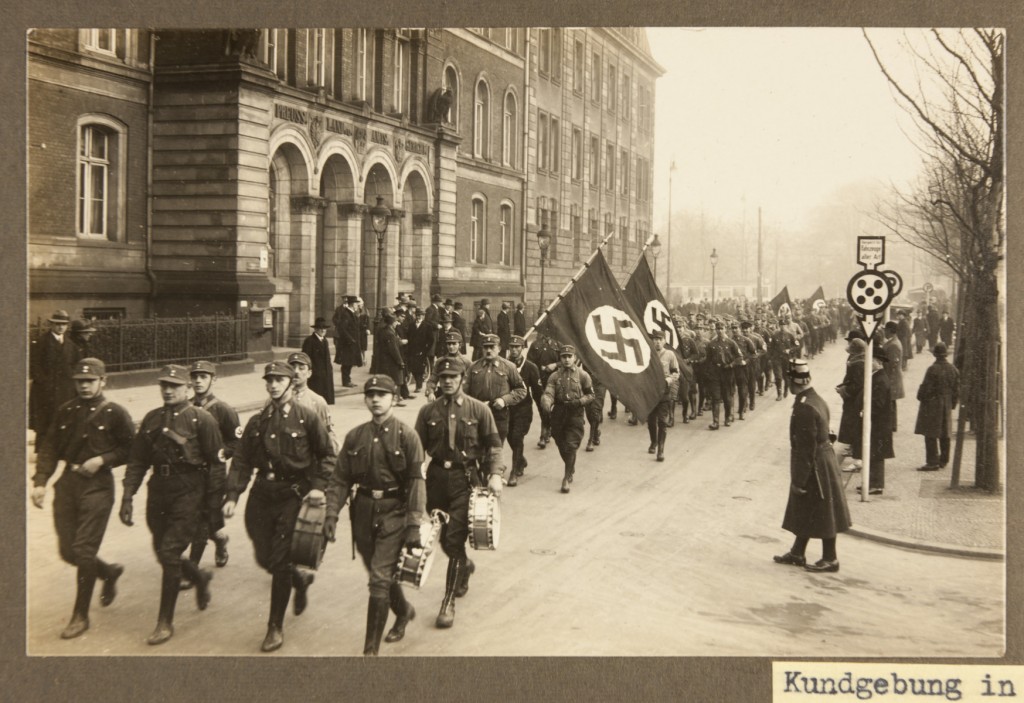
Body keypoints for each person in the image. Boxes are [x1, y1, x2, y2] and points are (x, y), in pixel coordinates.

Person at [222, 361, 336, 652]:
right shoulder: (258, 421)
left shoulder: (307, 418)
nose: (273, 384)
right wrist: (233, 495)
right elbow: (242, 460)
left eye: (279, 380)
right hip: (262, 494)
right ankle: (299, 580)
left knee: (280, 560)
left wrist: (317, 488)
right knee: (264, 557)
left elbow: (327, 456)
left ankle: (274, 626)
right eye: (269, 380)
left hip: (292, 495)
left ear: (290, 383)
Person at [120, 365, 225, 645]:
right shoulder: (151, 419)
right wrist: (128, 495)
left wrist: (213, 505)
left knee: (169, 551)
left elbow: (216, 465)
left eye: (174, 385)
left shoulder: (201, 419)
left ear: (187, 388)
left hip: (190, 490)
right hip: (159, 491)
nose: (168, 390)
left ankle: (165, 622)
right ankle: (200, 577)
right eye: (164, 385)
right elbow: (138, 461)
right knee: (161, 550)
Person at [323, 375, 427, 655]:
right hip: (364, 512)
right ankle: (403, 611)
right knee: (378, 571)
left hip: (395, 512)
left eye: (383, 394)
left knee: (379, 578)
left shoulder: (408, 436)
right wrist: (331, 514)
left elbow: (416, 482)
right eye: (371, 395)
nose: (376, 399)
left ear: (394, 399)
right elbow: (340, 479)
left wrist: (414, 524)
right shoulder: (356, 436)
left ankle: (370, 652)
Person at [31, 357, 134, 639]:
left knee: (84, 550)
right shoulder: (66, 411)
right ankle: (109, 573)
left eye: (90, 381)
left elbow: (131, 449)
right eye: (80, 381)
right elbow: (50, 446)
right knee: (68, 551)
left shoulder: (115, 413)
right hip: (68, 484)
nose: (85, 386)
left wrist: (103, 459)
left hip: (98, 486)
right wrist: (40, 482)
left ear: (103, 381)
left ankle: (80, 616)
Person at [414, 357, 504, 629]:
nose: (448, 381)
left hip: (467, 480)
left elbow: (495, 446)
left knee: (453, 539)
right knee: (444, 541)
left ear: (463, 378)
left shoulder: (479, 410)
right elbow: (417, 449)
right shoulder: (428, 412)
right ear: (438, 380)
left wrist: (496, 475)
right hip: (437, 479)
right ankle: (464, 565)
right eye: (443, 377)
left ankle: (448, 601)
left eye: (453, 377)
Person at [773, 359, 852, 573]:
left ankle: (830, 558)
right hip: (823, 460)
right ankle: (797, 552)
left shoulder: (805, 407)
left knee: (823, 510)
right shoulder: (815, 399)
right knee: (809, 509)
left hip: (816, 464)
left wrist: (798, 480)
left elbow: (805, 448)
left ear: (793, 381)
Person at [182, 360, 238, 578]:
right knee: (196, 518)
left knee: (203, 519)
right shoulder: (185, 407)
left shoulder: (223, 410)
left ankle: (192, 567)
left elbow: (236, 441)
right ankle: (220, 539)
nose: (198, 381)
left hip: (213, 474)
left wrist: (220, 454)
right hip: (190, 473)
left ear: (214, 380)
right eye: (195, 377)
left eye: (203, 377)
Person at [540, 345, 595, 493]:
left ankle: (566, 477)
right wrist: (546, 401)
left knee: (571, 445)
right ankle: (570, 466)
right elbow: (549, 392)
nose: (566, 359)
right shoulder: (554, 376)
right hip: (559, 413)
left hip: (575, 413)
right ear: (560, 358)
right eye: (563, 357)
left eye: (569, 356)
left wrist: (579, 402)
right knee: (561, 443)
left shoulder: (583, 376)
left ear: (575, 358)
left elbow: (591, 395)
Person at [465, 333, 527, 445]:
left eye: (492, 347)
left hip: (499, 416)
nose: (488, 350)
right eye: (485, 347)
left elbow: (521, 390)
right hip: (477, 415)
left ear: (499, 348)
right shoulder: (473, 367)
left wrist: (504, 400)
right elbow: (463, 392)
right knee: (478, 450)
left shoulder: (509, 367)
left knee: (494, 451)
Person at [30, 309, 78, 451]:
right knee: (45, 420)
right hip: (45, 390)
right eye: (57, 324)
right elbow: (34, 365)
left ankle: (60, 449)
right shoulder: (41, 342)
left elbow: (76, 365)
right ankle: (43, 450)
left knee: (63, 418)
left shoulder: (71, 345)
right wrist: (44, 383)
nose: (60, 327)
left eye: (63, 324)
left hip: (65, 390)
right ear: (51, 325)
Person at [914, 342, 960, 471]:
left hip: (932, 404)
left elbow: (926, 388)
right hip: (946, 403)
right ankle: (944, 460)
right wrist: (952, 404)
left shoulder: (932, 369)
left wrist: (920, 396)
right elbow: (957, 390)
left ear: (935, 355)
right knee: (945, 433)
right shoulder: (953, 369)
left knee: (930, 433)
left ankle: (932, 461)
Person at [506, 334, 542, 486]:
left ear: (523, 348)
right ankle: (520, 460)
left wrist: (544, 412)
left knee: (517, 437)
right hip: (507, 409)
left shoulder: (531, 368)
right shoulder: (505, 365)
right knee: (508, 436)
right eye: (512, 347)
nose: (514, 350)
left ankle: (514, 472)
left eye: (517, 347)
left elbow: (538, 393)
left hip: (523, 409)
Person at [287, 351, 340, 451]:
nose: (296, 371)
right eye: (292, 367)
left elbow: (329, 435)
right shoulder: (276, 401)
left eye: (301, 368)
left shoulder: (317, 401)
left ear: (309, 373)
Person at [646, 331, 679, 462]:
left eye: (660, 339)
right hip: (650, 392)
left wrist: (669, 380)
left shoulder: (670, 355)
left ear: (664, 341)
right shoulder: (647, 354)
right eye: (655, 339)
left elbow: (676, 373)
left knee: (662, 421)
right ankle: (653, 441)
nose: (658, 341)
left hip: (664, 391)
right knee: (651, 420)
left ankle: (661, 449)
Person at [704, 321, 741, 430]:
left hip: (727, 373)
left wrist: (731, 365)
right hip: (715, 373)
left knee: (727, 397)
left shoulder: (731, 343)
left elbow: (739, 357)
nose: (719, 331)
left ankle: (727, 417)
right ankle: (715, 422)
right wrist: (709, 373)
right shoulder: (712, 344)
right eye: (717, 329)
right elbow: (708, 359)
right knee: (715, 397)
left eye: (721, 328)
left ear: (726, 329)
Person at [527, 332, 560, 447]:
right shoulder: (535, 344)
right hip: (539, 381)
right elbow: (529, 362)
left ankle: (544, 433)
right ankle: (547, 427)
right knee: (542, 408)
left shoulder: (558, 344)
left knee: (547, 406)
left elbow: (568, 361)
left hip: (554, 382)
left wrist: (555, 365)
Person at [370, 310, 407, 407]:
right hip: (390, 361)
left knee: (388, 380)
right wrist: (400, 361)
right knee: (397, 380)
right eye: (395, 322)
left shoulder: (384, 330)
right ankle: (396, 399)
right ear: (392, 322)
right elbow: (393, 349)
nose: (397, 323)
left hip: (384, 360)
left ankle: (389, 399)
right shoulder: (390, 333)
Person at [423, 329, 473, 400]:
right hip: (443, 396)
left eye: (454, 344)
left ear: (460, 345)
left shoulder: (466, 362)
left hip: (461, 397)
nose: (451, 347)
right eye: (449, 344)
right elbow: (432, 380)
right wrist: (431, 392)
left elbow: (472, 383)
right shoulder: (440, 361)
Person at [302, 317, 335, 404]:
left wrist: (330, 369)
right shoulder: (309, 341)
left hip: (326, 373)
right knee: (315, 397)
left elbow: (327, 358)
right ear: (316, 329)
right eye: (320, 329)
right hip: (316, 374)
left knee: (325, 398)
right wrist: (311, 370)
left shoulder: (325, 341)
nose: (323, 331)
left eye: (324, 329)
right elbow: (305, 358)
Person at [333, 295, 363, 388]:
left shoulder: (351, 313)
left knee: (349, 362)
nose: (357, 306)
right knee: (347, 362)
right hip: (347, 343)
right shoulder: (346, 314)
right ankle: (346, 381)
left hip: (351, 342)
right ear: (352, 304)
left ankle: (348, 380)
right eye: (356, 304)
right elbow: (343, 329)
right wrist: (351, 340)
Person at [882, 322, 905, 432]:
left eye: (885, 330)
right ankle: (892, 425)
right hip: (892, 377)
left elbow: (891, 364)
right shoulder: (893, 342)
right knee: (891, 402)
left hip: (892, 377)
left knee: (890, 401)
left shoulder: (893, 344)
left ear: (890, 330)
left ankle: (890, 425)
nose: (884, 332)